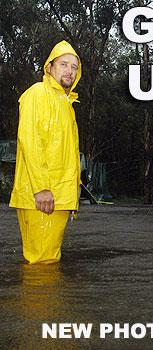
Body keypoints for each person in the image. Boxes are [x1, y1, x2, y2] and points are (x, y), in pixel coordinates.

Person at [10, 40, 82, 264]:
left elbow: (66, 155)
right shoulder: (37, 94)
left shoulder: (66, 104)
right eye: (63, 64)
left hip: (58, 196)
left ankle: (43, 300)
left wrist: (73, 193)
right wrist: (41, 188)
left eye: (74, 67)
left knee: (48, 260)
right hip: (42, 196)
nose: (69, 71)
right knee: (42, 261)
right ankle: (37, 300)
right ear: (49, 67)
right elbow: (29, 141)